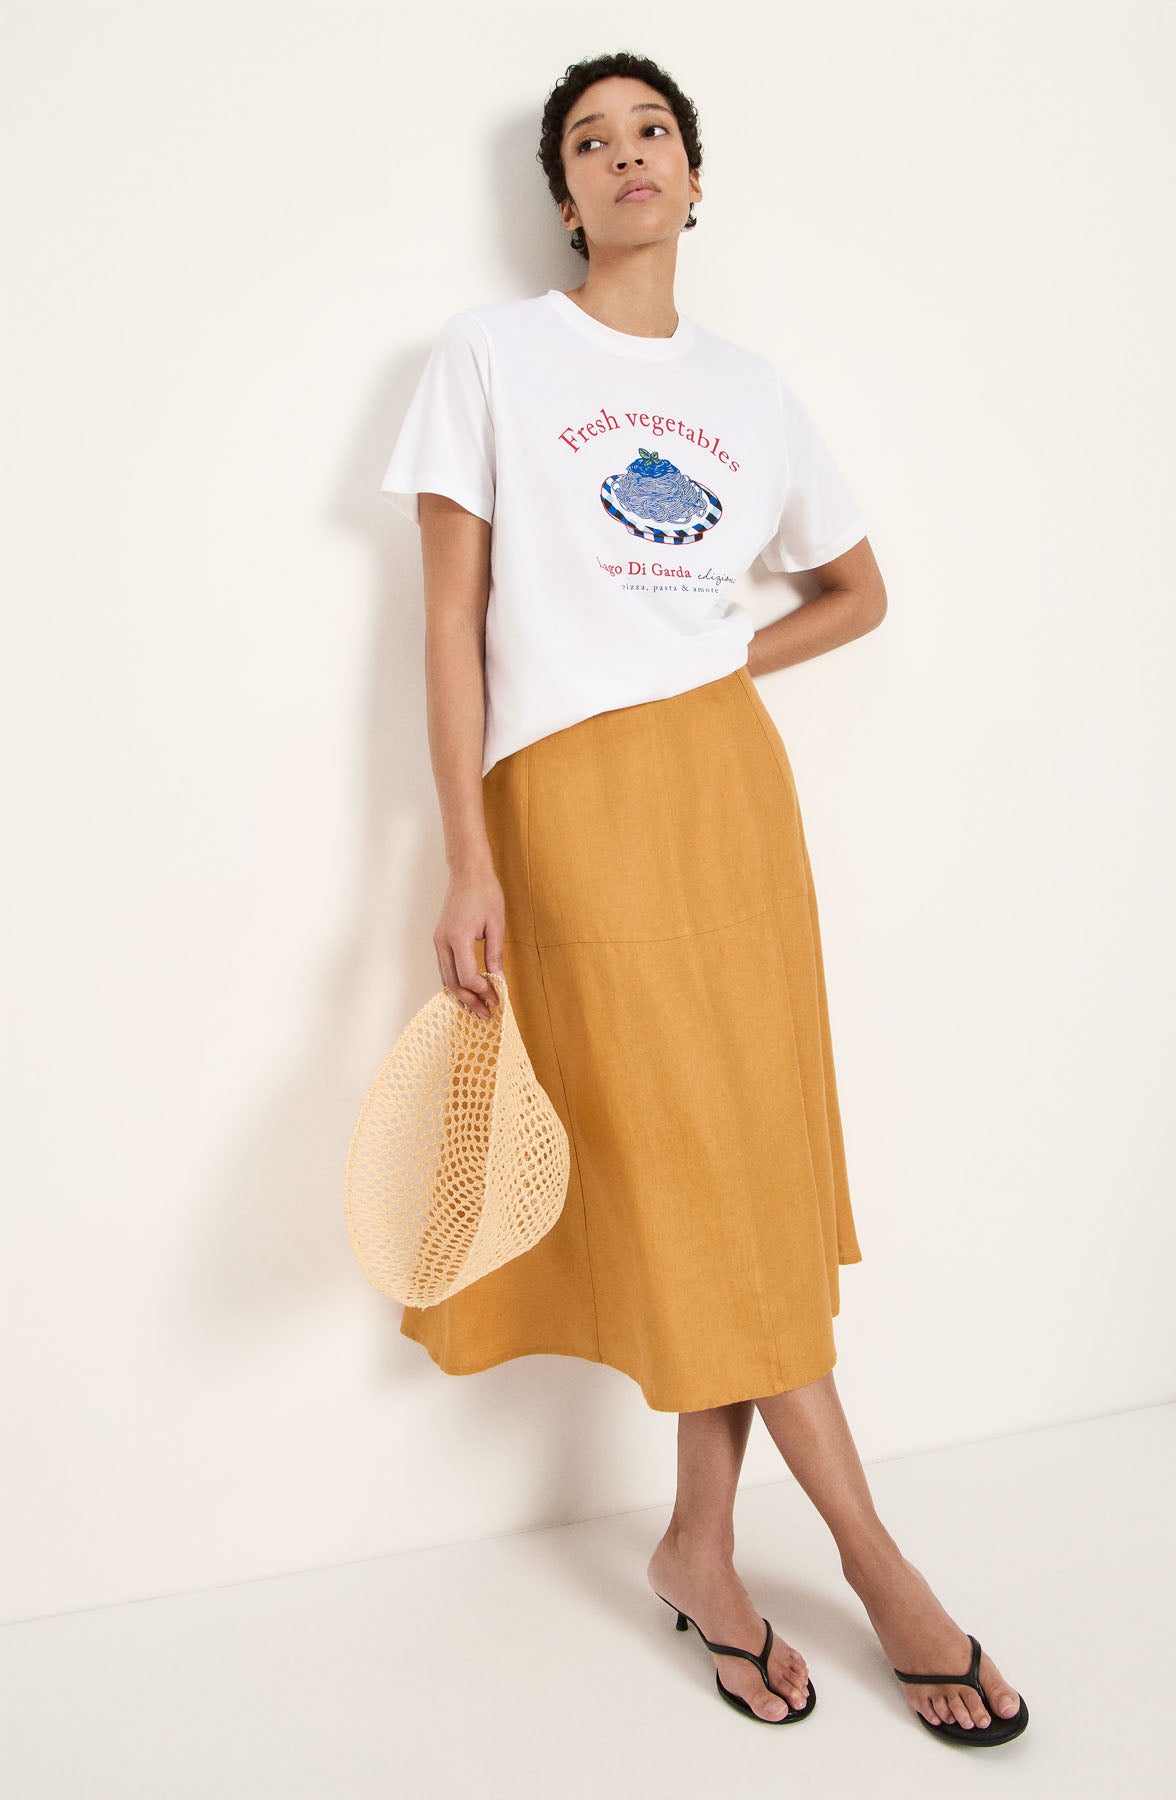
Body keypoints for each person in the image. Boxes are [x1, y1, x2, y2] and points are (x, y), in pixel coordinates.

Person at [378, 50, 1027, 1745]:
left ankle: (700, 1549)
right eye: (590, 142)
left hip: (728, 794)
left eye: (650, 132)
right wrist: (465, 853)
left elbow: (856, 590)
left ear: (690, 174)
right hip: (572, 802)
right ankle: (879, 1565)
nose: (625, 157)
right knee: (702, 1179)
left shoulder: (750, 391)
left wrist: (713, 657)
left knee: (734, 1172)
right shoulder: (491, 355)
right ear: (563, 194)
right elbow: (446, 622)